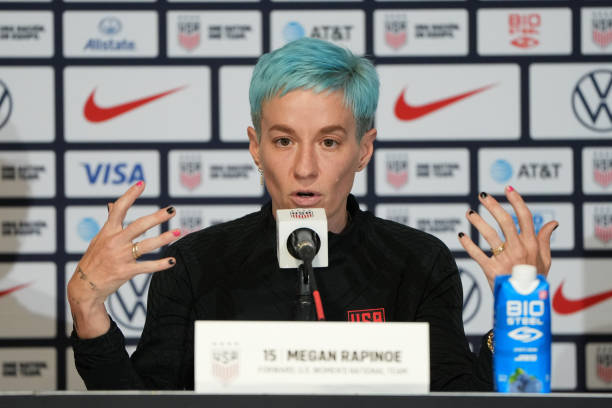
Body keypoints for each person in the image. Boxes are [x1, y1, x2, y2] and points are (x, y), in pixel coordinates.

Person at [68, 37, 557, 391]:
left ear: (364, 150)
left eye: (329, 141)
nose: (305, 168)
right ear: (255, 148)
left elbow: (459, 402)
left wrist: (519, 316)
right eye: (283, 141)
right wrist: (88, 308)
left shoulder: (418, 261)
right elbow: (144, 404)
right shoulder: (195, 265)